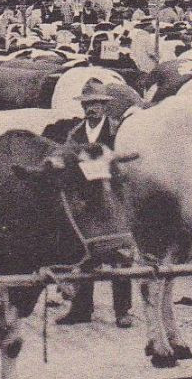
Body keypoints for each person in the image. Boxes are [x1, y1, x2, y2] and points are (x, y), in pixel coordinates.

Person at [57, 81, 134, 328]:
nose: (92, 109)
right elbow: (68, 161)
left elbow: (125, 163)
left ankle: (122, 310)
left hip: (111, 198)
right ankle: (81, 309)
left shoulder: (116, 132)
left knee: (120, 254)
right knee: (85, 254)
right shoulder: (75, 134)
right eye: (88, 104)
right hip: (86, 201)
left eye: (97, 104)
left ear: (105, 106)